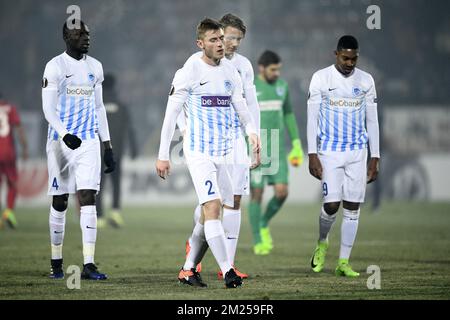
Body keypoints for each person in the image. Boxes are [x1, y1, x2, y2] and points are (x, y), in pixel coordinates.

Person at [156, 18, 260, 288]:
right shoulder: (189, 71)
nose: (221, 44)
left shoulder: (231, 72)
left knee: (210, 214)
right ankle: (228, 272)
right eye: (214, 40)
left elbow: (242, 106)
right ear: (200, 43)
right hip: (199, 151)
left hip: (226, 151)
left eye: (221, 38)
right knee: (213, 208)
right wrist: (163, 154)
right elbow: (171, 115)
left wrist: (252, 131)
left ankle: (188, 269)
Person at [42, 19, 116, 280]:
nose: (85, 37)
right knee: (60, 201)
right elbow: (48, 109)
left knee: (88, 197)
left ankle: (88, 264)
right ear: (66, 37)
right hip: (60, 143)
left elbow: (99, 108)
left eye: (87, 33)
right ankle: (56, 261)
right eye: (79, 34)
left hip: (87, 142)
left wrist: (107, 144)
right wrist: (65, 134)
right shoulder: (55, 66)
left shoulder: (95, 67)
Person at [307, 35, 380, 277]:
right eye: (345, 58)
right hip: (329, 151)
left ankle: (343, 262)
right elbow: (312, 118)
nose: (350, 63)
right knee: (331, 205)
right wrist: (312, 153)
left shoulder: (366, 81)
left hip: (358, 152)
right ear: (336, 54)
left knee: (352, 206)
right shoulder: (321, 78)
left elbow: (372, 120)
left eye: (354, 58)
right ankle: (322, 242)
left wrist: (375, 156)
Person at [248, 50, 304, 255]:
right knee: (257, 194)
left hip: (277, 149)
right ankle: (257, 239)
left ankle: (263, 222)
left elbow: (288, 113)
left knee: (282, 192)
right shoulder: (251, 87)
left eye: (279, 69)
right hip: (255, 149)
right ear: (261, 68)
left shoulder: (282, 87)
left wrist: (297, 143)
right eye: (273, 69)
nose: (277, 73)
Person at [96, 73, 138, 228]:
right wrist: (134, 148)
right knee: (116, 183)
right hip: (117, 152)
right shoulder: (121, 105)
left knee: (98, 184)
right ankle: (115, 212)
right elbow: (130, 129)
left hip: (99, 152)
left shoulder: (96, 105)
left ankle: (99, 217)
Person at [0, 93, 28, 229]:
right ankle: (8, 212)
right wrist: (25, 147)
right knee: (12, 183)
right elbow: (18, 128)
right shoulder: (10, 108)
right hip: (7, 152)